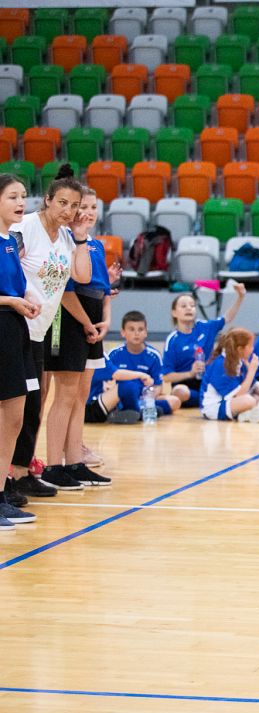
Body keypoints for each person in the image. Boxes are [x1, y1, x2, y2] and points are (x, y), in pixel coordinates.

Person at [9, 165, 86, 498]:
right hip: (16, 326)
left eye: (74, 206)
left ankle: (23, 471)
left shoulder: (68, 238)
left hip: (38, 332)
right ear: (48, 201)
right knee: (14, 407)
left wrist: (84, 320)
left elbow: (74, 284)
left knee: (33, 406)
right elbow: (10, 265)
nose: (68, 212)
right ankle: (8, 478)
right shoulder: (26, 228)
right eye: (63, 203)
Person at [49, 188, 113, 487]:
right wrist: (88, 322)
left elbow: (102, 288)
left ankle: (75, 461)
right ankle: (53, 465)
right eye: (82, 207)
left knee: (80, 397)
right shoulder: (65, 242)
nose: (88, 212)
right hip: (71, 321)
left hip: (92, 322)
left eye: (93, 207)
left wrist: (105, 320)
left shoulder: (95, 245)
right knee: (65, 396)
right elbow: (71, 288)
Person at [0, 173, 39, 528]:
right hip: (1, 324)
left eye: (23, 196)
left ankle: (2, 494)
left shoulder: (11, 241)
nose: (20, 203)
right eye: (13, 196)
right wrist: (11, 300)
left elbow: (18, 285)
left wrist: (26, 298)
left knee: (15, 416)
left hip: (15, 328)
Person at [162, 282, 247, 408]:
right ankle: (213, 402)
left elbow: (227, 318)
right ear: (174, 312)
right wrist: (190, 373)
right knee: (180, 391)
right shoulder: (172, 340)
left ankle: (219, 402)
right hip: (186, 386)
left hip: (208, 383)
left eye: (192, 305)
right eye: (183, 306)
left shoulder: (205, 327)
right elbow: (167, 377)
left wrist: (240, 297)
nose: (189, 308)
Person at [100, 310, 182, 426]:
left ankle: (135, 411)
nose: (136, 333)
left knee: (175, 401)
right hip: (121, 397)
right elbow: (107, 383)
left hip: (144, 399)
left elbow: (158, 387)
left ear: (146, 332)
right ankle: (141, 412)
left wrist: (149, 397)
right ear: (123, 332)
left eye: (140, 329)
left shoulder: (153, 356)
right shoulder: (114, 354)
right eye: (131, 329)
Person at [200, 327, 259, 423]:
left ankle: (251, 413)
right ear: (240, 349)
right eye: (251, 346)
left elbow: (255, 386)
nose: (253, 350)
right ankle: (257, 409)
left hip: (232, 402)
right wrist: (252, 371)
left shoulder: (239, 361)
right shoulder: (220, 365)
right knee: (249, 400)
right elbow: (239, 394)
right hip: (214, 407)